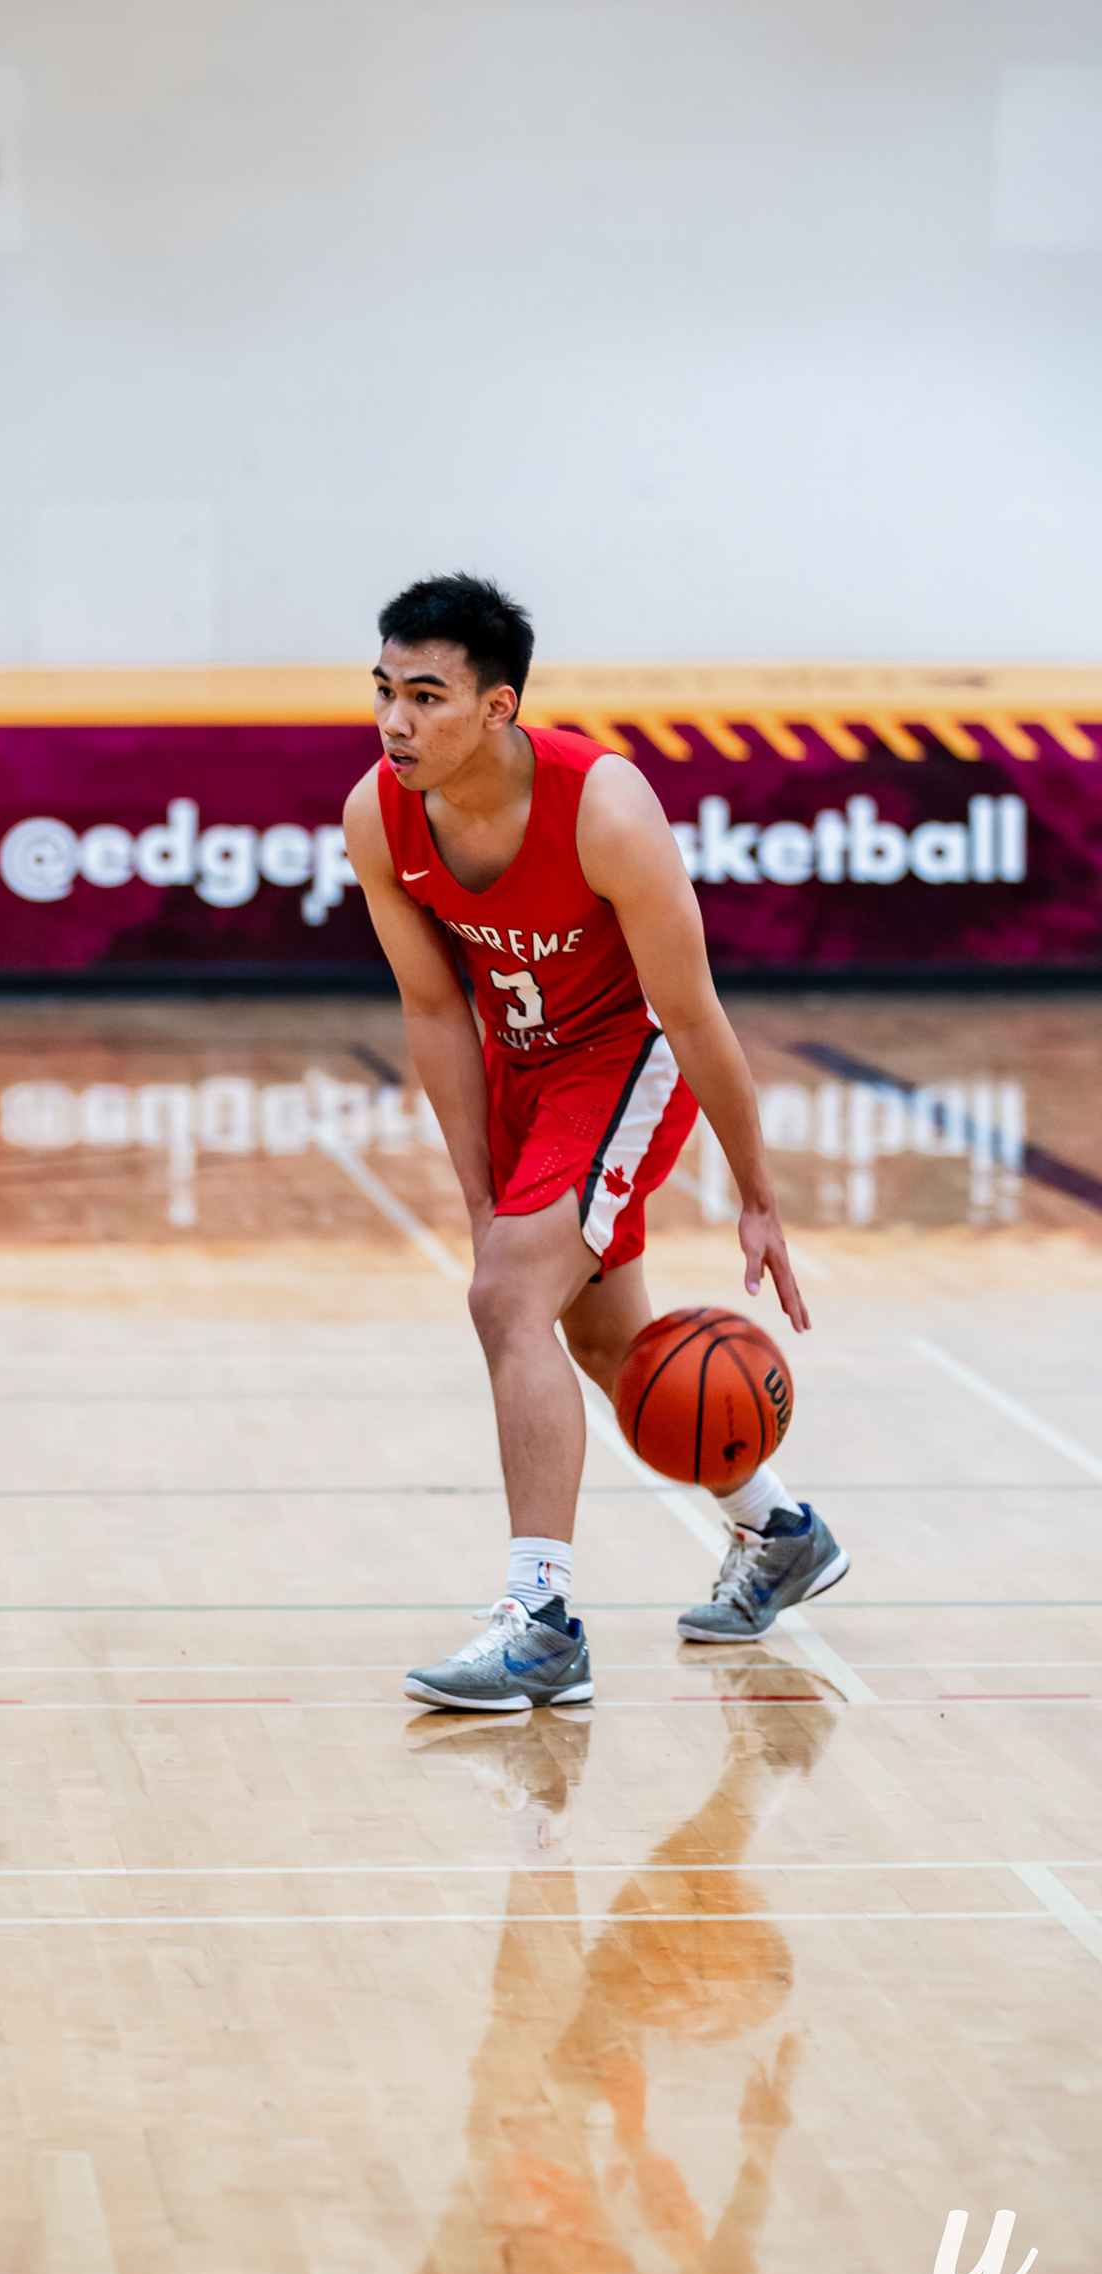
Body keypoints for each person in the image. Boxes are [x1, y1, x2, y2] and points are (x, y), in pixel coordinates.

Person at [342, 573, 848, 1710]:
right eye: (384, 691)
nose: (394, 722)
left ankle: (542, 1622)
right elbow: (434, 1010)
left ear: (498, 707)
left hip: (626, 1057)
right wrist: (480, 1196)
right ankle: (779, 1531)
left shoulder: (605, 810)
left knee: (505, 1298)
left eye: (425, 696)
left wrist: (757, 1196)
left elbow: (696, 1014)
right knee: (607, 1341)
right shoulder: (376, 815)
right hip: (520, 1067)